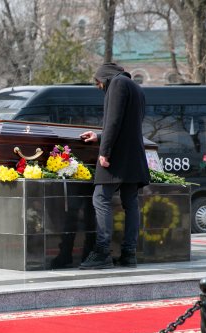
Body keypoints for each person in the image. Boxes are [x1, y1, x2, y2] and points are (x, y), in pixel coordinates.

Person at [78, 62, 150, 270]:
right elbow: (128, 123)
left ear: (105, 77)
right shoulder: (135, 86)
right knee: (130, 202)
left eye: (99, 83)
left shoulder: (117, 84)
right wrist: (98, 136)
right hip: (134, 155)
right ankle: (129, 254)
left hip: (117, 155)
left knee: (100, 197)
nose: (100, 88)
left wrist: (104, 151)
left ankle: (102, 252)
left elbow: (113, 121)